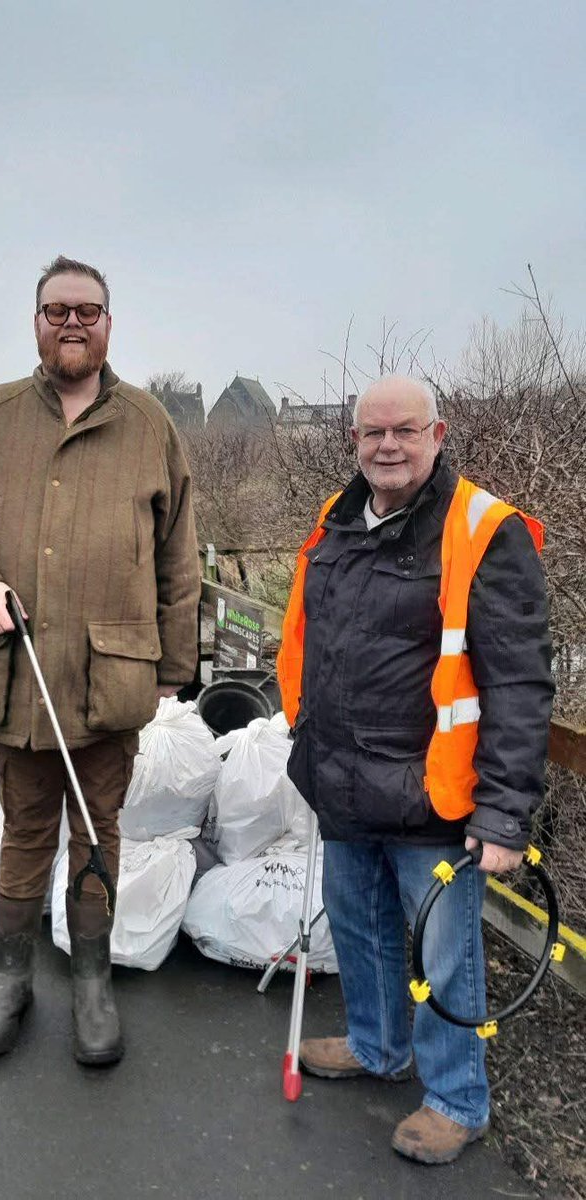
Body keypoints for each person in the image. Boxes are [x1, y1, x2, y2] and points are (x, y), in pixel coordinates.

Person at [0, 255, 200, 1065]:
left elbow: (178, 554)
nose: (71, 323)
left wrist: (171, 668)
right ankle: (10, 978)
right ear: (36, 322)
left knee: (97, 832)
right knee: (23, 832)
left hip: (110, 679)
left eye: (87, 310)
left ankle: (90, 980)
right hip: (17, 678)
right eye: (56, 310)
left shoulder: (149, 425)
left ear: (108, 323)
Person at [277, 375, 553, 1164]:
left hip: (429, 793)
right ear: (353, 441)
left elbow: (519, 684)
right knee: (359, 931)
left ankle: (456, 1100)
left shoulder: (481, 528)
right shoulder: (334, 522)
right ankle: (375, 1046)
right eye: (372, 432)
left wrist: (502, 814)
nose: (387, 446)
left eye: (404, 430)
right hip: (340, 781)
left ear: (437, 435)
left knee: (445, 958)